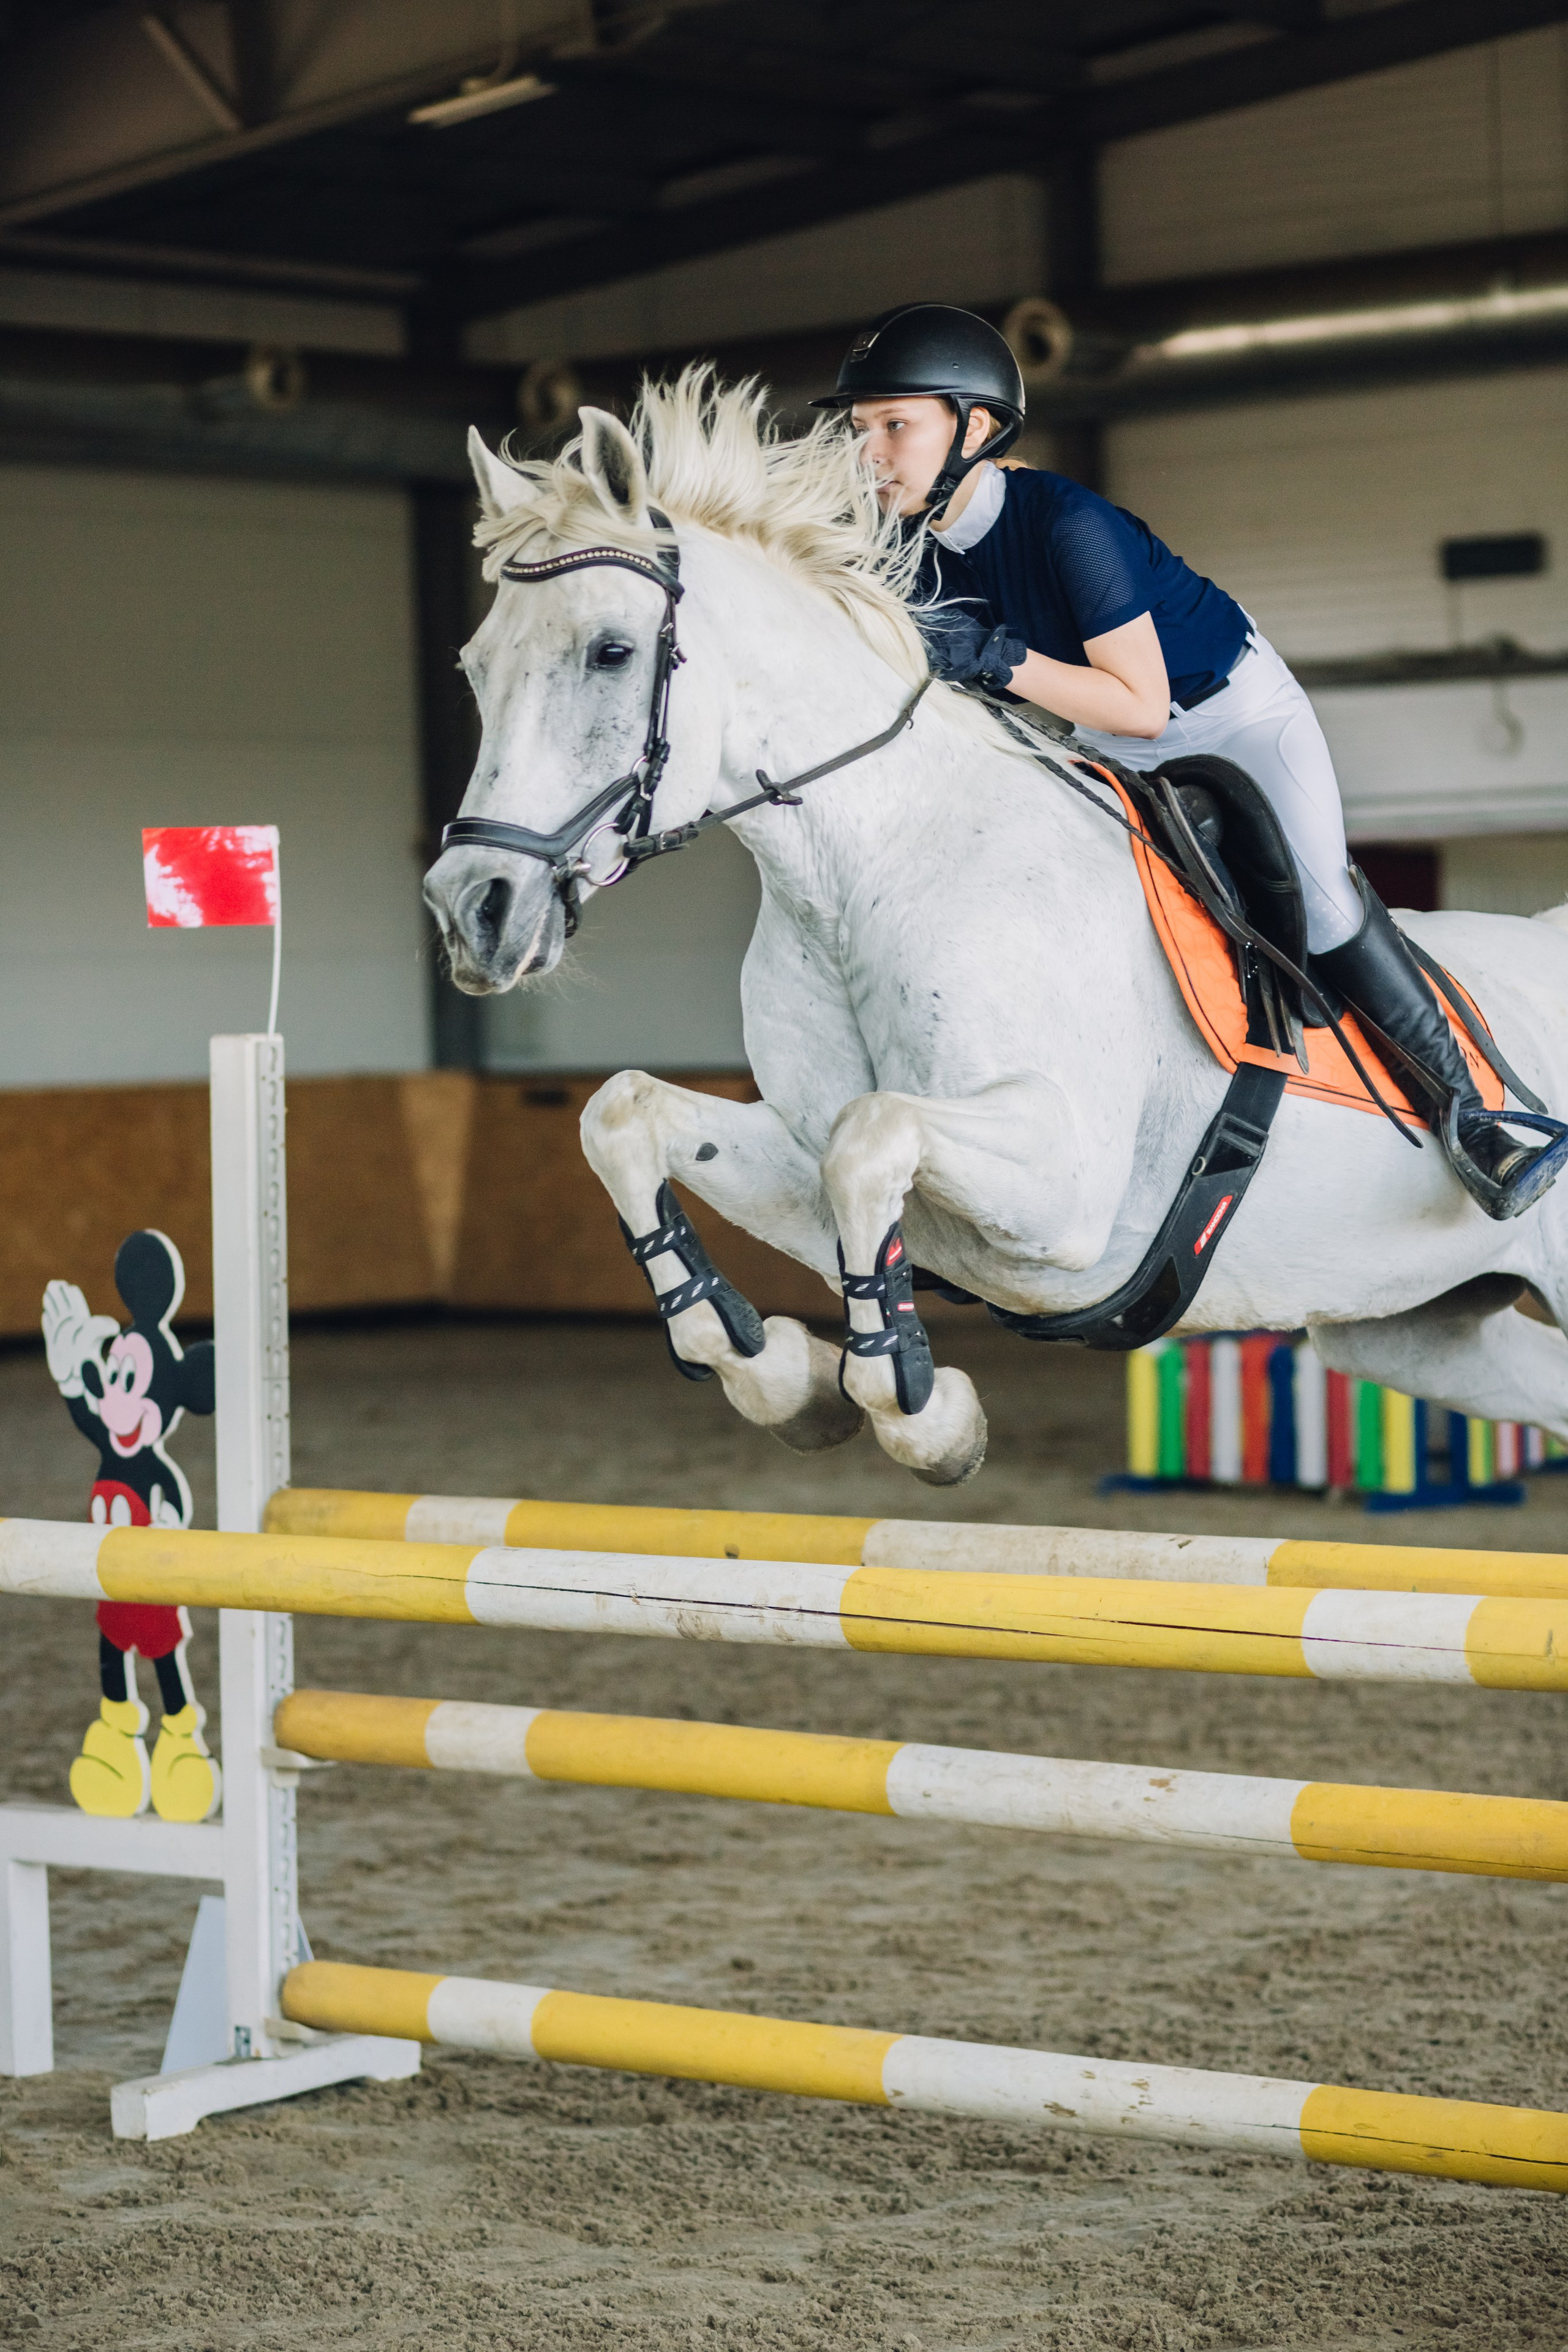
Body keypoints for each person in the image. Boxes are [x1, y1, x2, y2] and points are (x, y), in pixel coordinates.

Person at [813, 301, 1564, 1221]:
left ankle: (1479, 1119)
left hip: (1226, 715)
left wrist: (1002, 659)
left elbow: (1142, 704)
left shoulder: (1065, 524)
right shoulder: (905, 552)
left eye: (895, 426)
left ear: (973, 427)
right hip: (1089, 734)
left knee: (1321, 901)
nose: (870, 453)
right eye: (860, 429)